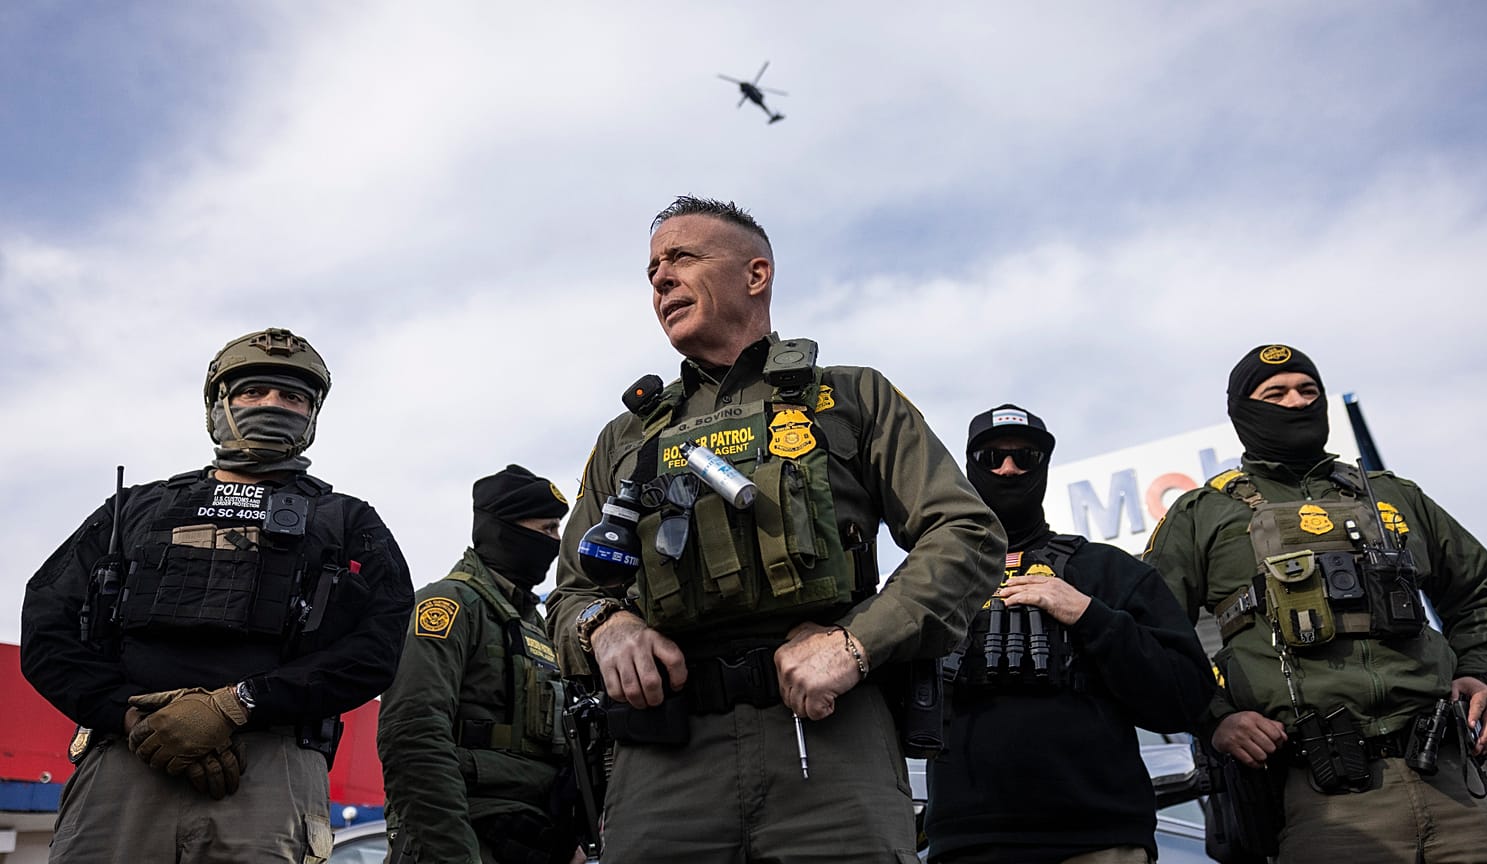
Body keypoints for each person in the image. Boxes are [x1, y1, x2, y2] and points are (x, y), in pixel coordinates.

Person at [546, 195, 1004, 863]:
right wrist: (605, 628)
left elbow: (966, 532)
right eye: (651, 271)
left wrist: (856, 643)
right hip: (664, 764)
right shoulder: (625, 438)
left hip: (831, 746)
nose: (661, 279)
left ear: (755, 274)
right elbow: (570, 592)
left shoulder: (850, 397)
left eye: (683, 258)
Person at [21, 327, 414, 864]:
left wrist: (234, 706)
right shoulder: (133, 509)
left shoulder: (348, 521)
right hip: (125, 759)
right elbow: (47, 629)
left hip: (271, 770)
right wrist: (135, 718)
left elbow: (378, 648)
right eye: (254, 392)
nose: (274, 405)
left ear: (313, 417)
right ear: (217, 405)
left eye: (293, 397)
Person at [1143, 343, 1487, 863]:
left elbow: (1481, 595)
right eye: (1275, 393)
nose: (1296, 403)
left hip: (1450, 779)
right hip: (1320, 796)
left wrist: (1480, 670)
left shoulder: (1393, 496)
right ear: (1242, 412)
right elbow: (1150, 638)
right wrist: (1215, 718)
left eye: (1307, 391)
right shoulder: (1203, 514)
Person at [924, 404, 1212, 864]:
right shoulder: (932, 580)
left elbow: (1188, 696)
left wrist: (1088, 615)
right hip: (965, 844)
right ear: (970, 469)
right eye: (991, 458)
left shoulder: (1107, 570)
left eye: (1025, 457)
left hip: (1098, 839)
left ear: (1044, 467)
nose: (1009, 468)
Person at [378, 464, 583, 864]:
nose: (555, 543)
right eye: (546, 530)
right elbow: (412, 736)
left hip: (532, 839)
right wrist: (453, 853)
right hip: (467, 836)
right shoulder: (449, 605)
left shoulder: (532, 624)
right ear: (503, 528)